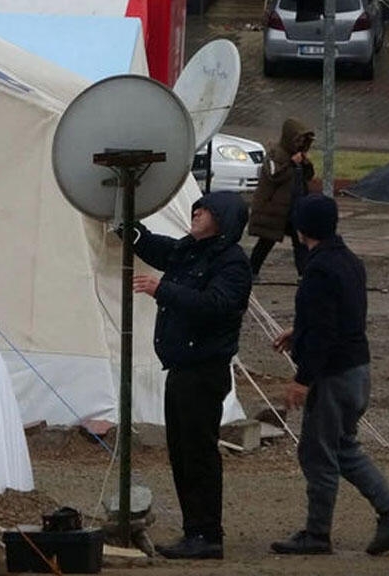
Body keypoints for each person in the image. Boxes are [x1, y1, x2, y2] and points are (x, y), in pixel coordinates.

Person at [270, 193, 389, 556]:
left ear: (302, 227)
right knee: (342, 445)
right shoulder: (348, 260)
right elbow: (340, 314)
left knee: (318, 454)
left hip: (333, 374)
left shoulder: (319, 268)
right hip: (356, 368)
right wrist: (299, 331)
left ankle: (318, 534)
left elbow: (324, 331)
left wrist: (302, 379)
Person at [128, 190, 252, 560]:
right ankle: (193, 530)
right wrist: (124, 224)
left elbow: (217, 306)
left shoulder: (232, 264)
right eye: (198, 207)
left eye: (206, 210)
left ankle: (207, 534)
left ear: (223, 220)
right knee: (181, 454)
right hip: (181, 369)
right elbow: (153, 247)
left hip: (204, 371)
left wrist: (162, 289)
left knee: (198, 454)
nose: (196, 212)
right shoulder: (189, 250)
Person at [248, 117, 315, 281]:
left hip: (294, 207)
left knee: (300, 242)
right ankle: (251, 271)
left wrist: (305, 164)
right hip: (276, 209)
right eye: (297, 139)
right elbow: (274, 176)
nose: (300, 143)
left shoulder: (298, 158)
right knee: (266, 240)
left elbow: (308, 177)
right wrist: (291, 164)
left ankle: (304, 273)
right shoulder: (276, 154)